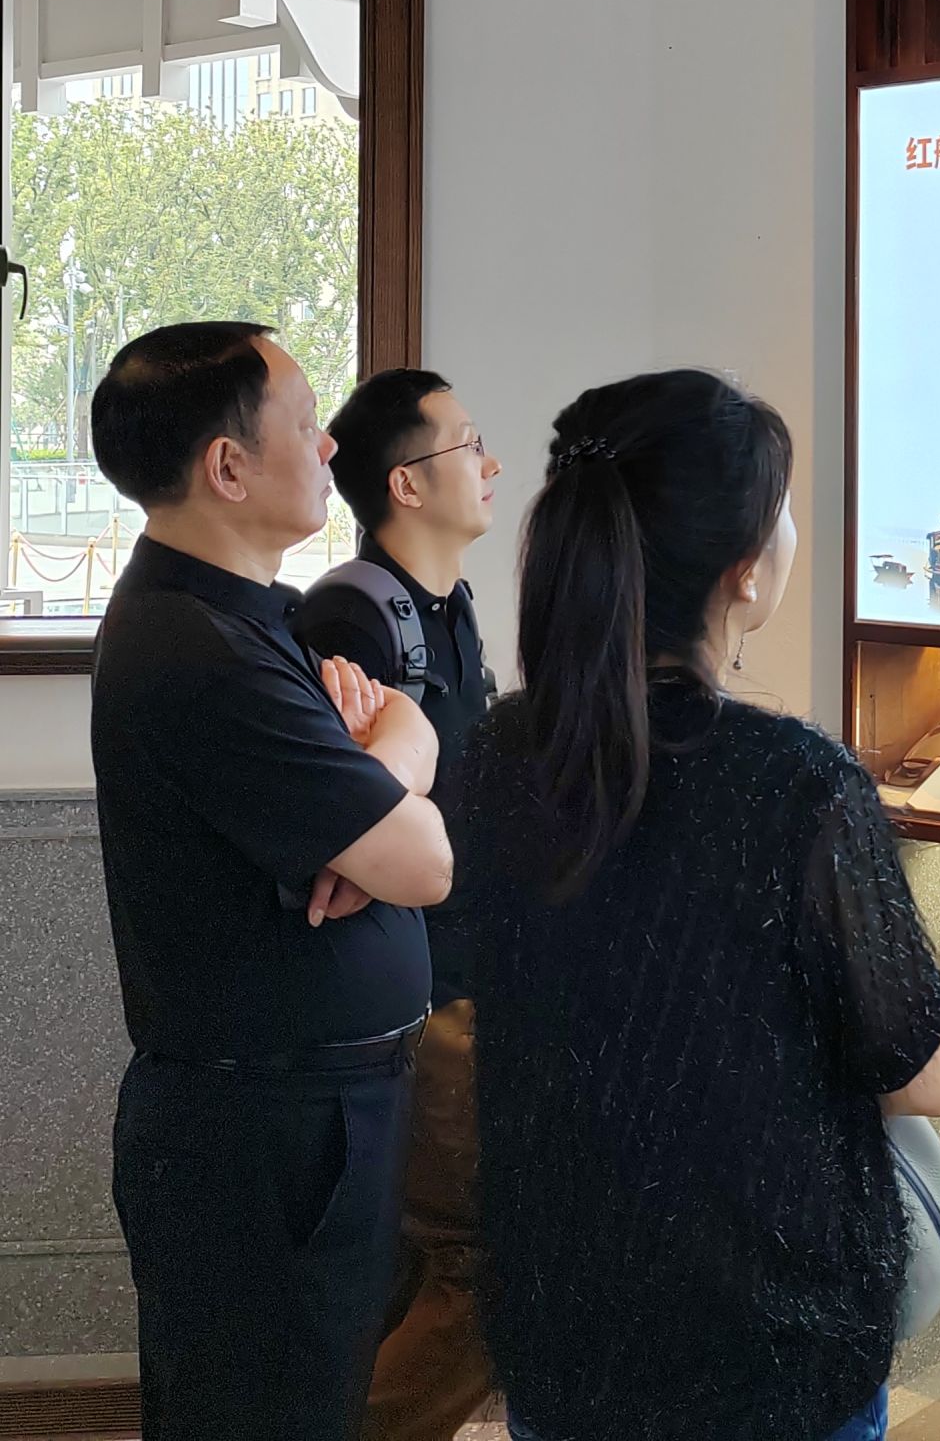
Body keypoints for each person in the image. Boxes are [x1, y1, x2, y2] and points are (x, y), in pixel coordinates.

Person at [463, 369, 940, 1441]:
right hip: (769, 1347)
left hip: (563, 1330)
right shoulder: (799, 784)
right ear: (744, 569)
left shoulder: (496, 754)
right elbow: (922, 1076)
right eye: (783, 505)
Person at [86, 323, 451, 1441]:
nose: (329, 441)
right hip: (265, 1137)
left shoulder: (254, 617)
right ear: (228, 467)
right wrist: (393, 779)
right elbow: (424, 861)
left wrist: (396, 739)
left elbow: (401, 744)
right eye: (303, 420)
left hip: (306, 1115)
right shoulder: (200, 650)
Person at [293, 369, 503, 1441]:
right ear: (407, 484)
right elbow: (345, 827)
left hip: (458, 978)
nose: (491, 463)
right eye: (468, 443)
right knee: (477, 1271)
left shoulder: (449, 609)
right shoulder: (353, 613)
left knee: (424, 1264)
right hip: (422, 1002)